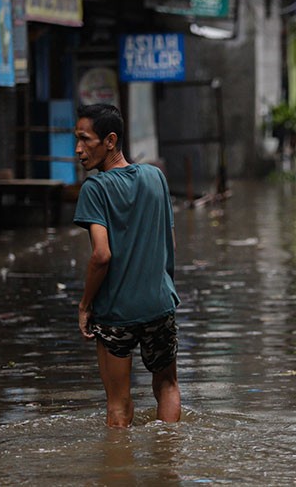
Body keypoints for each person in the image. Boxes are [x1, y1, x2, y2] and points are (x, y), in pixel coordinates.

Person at [73, 103, 181, 427]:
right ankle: (167, 463)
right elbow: (169, 245)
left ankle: (118, 472)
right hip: (160, 305)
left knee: (118, 404)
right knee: (167, 386)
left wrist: (84, 304)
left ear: (110, 141)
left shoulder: (94, 189)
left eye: (85, 139)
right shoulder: (156, 178)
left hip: (116, 314)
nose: (78, 150)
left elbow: (101, 255)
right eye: (76, 140)